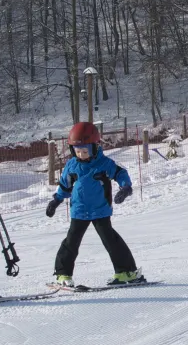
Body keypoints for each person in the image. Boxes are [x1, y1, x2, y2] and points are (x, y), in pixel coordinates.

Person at [46, 122, 143, 287]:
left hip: (100, 210)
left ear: (95, 147)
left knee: (111, 240)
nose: (82, 154)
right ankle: (63, 275)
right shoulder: (71, 165)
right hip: (79, 211)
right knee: (71, 242)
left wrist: (125, 187)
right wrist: (56, 200)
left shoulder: (104, 163)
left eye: (85, 151)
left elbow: (120, 173)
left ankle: (126, 272)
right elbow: (65, 186)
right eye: (77, 151)